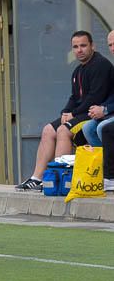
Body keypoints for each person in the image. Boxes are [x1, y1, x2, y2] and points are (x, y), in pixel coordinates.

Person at [16, 30, 114, 191]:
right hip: (80, 112)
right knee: (48, 130)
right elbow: (74, 97)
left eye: (83, 45)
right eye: (75, 47)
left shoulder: (101, 65)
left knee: (63, 131)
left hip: (93, 113)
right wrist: (65, 112)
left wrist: (73, 114)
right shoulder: (78, 70)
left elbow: (95, 97)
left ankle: (59, 177)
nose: (79, 50)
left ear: (92, 46)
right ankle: (37, 178)